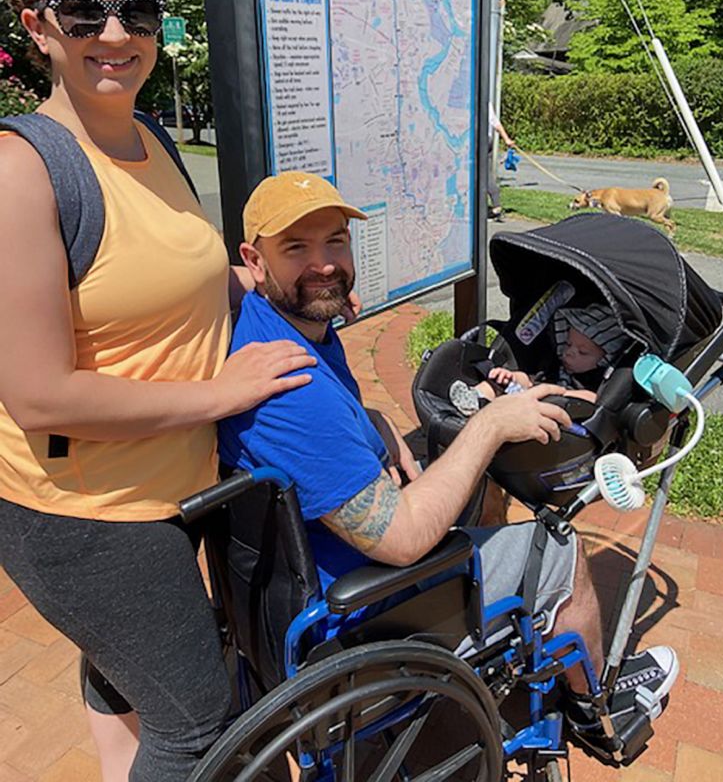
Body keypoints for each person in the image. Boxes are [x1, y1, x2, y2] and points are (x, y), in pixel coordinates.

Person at [0, 0, 319, 782]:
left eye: (135, 11)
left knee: (129, 667)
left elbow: (184, 278)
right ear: (36, 27)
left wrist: (271, 294)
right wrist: (221, 395)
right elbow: (37, 394)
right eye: (83, 12)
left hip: (180, 485)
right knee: (198, 725)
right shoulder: (24, 171)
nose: (115, 34)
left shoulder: (157, 141)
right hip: (87, 513)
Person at [219, 170, 679, 742]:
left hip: (294, 578)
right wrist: (488, 425)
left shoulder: (272, 325)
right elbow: (404, 538)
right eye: (296, 248)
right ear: (254, 261)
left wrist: (373, 420)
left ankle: (500, 608)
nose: (325, 264)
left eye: (334, 241)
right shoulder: (295, 393)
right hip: (363, 612)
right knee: (559, 546)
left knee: (457, 470)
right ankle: (596, 712)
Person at [449, 302, 626, 414]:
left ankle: (485, 408)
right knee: (502, 382)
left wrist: (561, 394)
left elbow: (595, 400)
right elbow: (532, 380)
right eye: (568, 344)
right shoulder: (557, 364)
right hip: (530, 396)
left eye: (583, 352)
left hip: (556, 413)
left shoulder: (599, 380)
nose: (570, 352)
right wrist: (512, 377)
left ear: (604, 358)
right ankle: (475, 398)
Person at [488, 101, 515, 221]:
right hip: (488, 139)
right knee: (485, 174)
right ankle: (496, 205)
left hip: (476, 139)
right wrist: (507, 139)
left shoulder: (467, 99)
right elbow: (495, 122)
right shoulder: (485, 101)